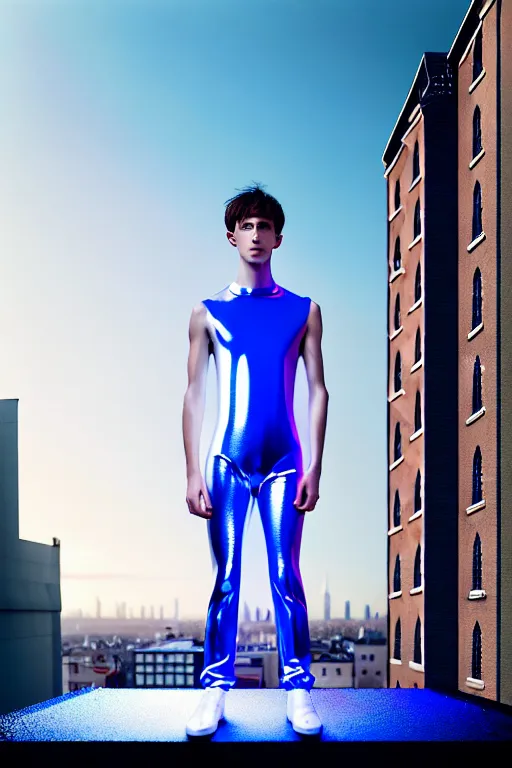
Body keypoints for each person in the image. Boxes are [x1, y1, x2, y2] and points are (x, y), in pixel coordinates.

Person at [182, 184, 329, 737]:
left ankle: (298, 691)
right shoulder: (207, 312)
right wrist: (192, 470)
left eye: (266, 226)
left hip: (286, 463)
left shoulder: (304, 310)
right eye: (247, 226)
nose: (257, 235)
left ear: (279, 237)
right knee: (226, 577)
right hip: (227, 461)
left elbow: (319, 390)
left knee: (286, 575)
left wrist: (314, 464)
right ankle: (214, 693)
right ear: (232, 236)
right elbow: (194, 394)